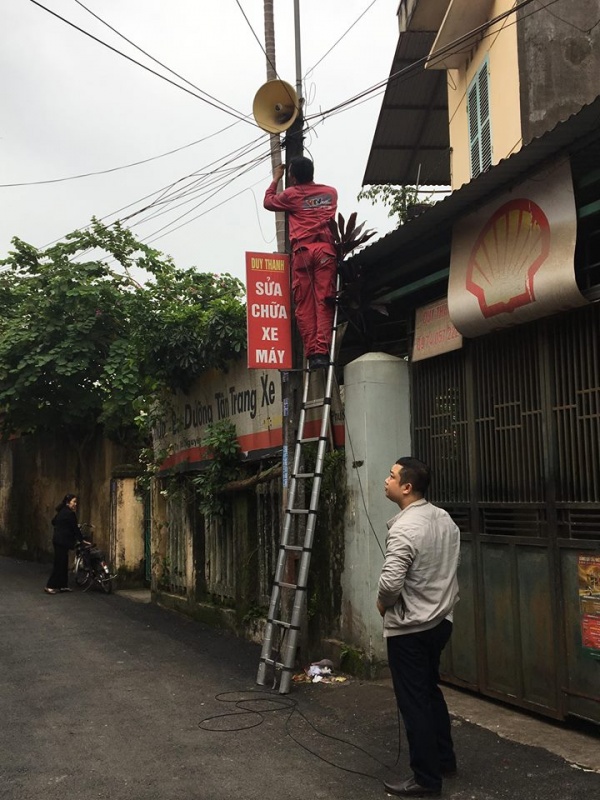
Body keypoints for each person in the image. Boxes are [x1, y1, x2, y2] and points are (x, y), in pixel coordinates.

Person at [377, 458, 461, 797]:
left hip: (410, 629)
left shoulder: (405, 528)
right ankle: (444, 760)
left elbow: (390, 583)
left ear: (407, 487)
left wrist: (383, 603)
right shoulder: (444, 519)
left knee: (414, 702)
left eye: (392, 476)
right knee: (429, 692)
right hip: (440, 622)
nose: (387, 480)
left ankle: (426, 779)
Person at [263, 157, 338, 370]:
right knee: (324, 300)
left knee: (305, 303)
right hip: (325, 251)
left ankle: (313, 354)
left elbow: (268, 202)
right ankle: (323, 352)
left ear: (292, 176)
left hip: (303, 253)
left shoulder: (291, 195)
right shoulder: (330, 192)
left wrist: (276, 178)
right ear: (312, 172)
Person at [45, 494, 85, 594]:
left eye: (76, 502)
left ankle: (63, 585)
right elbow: (75, 529)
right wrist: (82, 540)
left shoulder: (62, 512)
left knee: (63, 563)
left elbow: (53, 522)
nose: (75, 504)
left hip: (58, 540)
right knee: (59, 564)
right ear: (68, 502)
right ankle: (50, 585)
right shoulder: (70, 514)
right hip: (62, 541)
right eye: (74, 502)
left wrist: (61, 527)